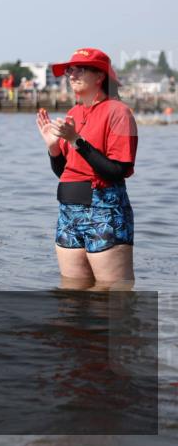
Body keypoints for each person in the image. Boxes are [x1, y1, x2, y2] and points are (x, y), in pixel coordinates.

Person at [35, 48, 137, 289]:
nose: (71, 75)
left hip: (104, 211)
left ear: (99, 76)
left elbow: (117, 171)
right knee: (71, 299)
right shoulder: (74, 112)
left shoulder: (118, 112)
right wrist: (53, 148)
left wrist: (76, 141)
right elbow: (65, 172)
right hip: (69, 212)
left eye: (79, 69)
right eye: (70, 70)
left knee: (113, 297)